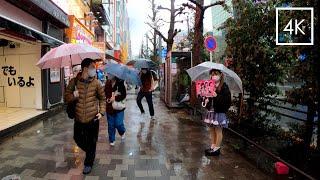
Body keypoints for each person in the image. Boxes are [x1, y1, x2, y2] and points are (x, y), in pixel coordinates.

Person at [65, 58, 106, 174]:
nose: (94, 69)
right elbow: (66, 97)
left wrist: (101, 112)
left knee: (92, 141)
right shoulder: (74, 82)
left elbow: (102, 99)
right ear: (85, 69)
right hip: (78, 118)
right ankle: (91, 153)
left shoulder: (97, 83)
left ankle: (88, 163)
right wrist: (73, 95)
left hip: (93, 118)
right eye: (93, 67)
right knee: (77, 139)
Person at [203, 69, 231, 156]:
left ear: (220, 75)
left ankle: (217, 149)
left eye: (215, 74)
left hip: (219, 112)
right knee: (212, 129)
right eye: (212, 74)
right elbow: (207, 99)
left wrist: (216, 95)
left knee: (218, 130)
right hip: (211, 111)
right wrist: (206, 100)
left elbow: (227, 102)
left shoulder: (224, 87)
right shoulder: (210, 85)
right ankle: (213, 146)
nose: (213, 76)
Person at [105, 74, 126, 146]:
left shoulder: (120, 82)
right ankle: (112, 139)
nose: (108, 75)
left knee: (118, 123)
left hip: (119, 108)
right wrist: (108, 99)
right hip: (109, 108)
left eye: (110, 74)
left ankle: (122, 132)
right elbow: (105, 94)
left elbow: (123, 95)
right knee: (111, 125)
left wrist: (115, 98)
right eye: (108, 73)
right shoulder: (107, 82)